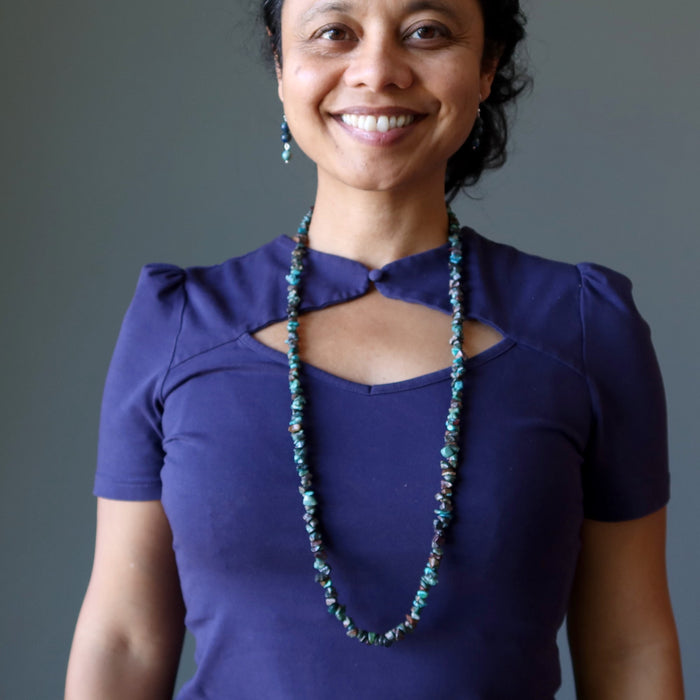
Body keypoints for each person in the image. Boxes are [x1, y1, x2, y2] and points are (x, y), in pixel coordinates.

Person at [65, 0, 684, 697]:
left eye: (427, 32)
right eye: (334, 32)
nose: (377, 72)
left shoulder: (583, 326)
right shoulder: (178, 323)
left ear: (487, 67)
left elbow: (631, 648)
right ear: (280, 64)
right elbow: (122, 641)